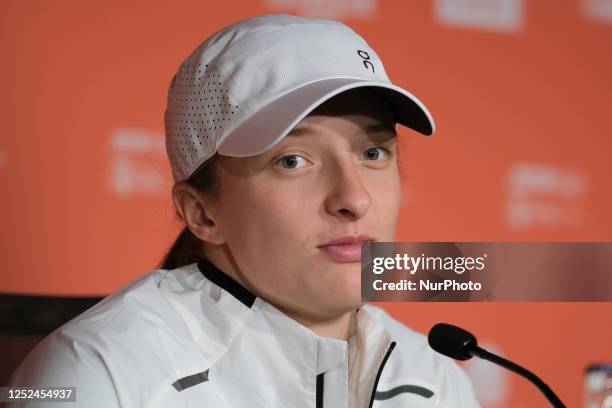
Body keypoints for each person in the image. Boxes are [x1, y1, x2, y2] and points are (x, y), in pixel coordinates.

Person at [7, 14, 480, 407]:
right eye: (292, 161)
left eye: (373, 153)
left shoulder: (437, 378)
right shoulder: (99, 375)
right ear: (202, 212)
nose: (354, 199)